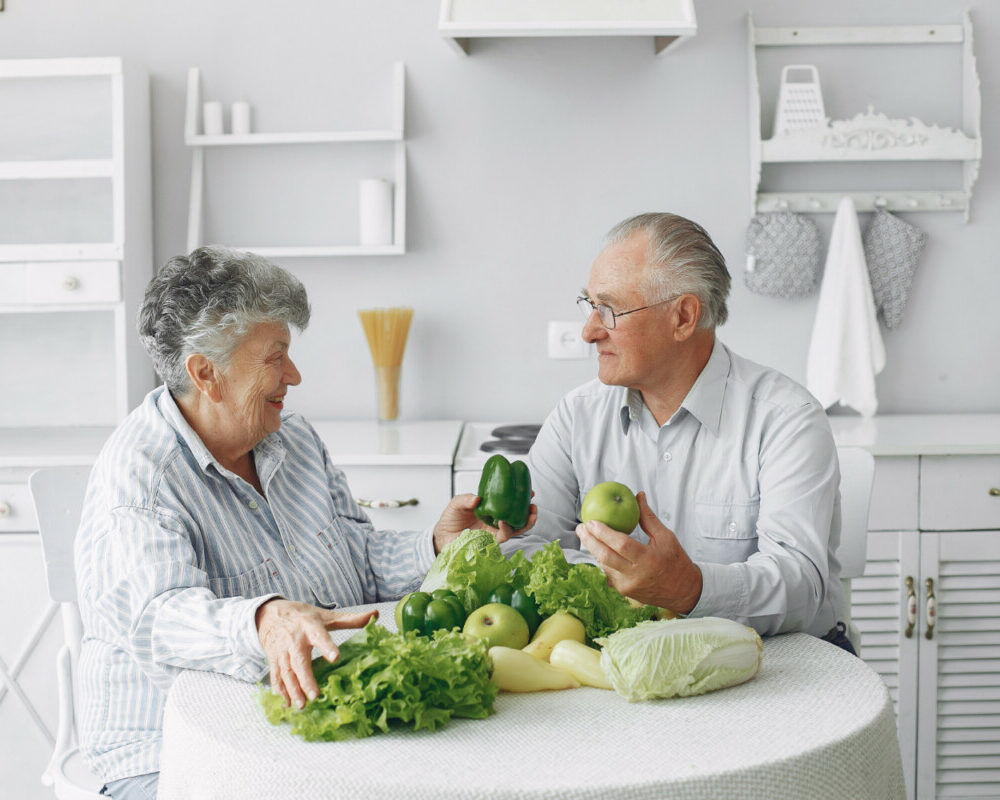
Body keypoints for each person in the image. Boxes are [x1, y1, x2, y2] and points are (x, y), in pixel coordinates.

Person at [73, 246, 529, 800]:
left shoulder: (294, 440)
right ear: (206, 373)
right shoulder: (141, 476)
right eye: (275, 357)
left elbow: (352, 553)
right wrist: (263, 619)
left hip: (298, 737)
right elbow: (157, 619)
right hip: (172, 759)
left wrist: (437, 546)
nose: (294, 375)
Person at [521, 212, 851, 649]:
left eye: (610, 309)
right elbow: (527, 549)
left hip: (782, 668)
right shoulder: (576, 416)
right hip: (627, 666)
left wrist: (690, 589)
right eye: (589, 304)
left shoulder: (787, 419)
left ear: (683, 317)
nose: (588, 331)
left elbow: (801, 587)